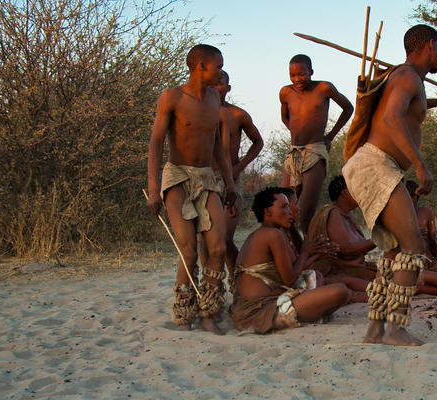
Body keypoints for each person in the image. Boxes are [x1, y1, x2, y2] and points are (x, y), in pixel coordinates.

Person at [342, 24, 437, 346]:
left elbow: (409, 112)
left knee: (395, 251)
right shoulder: (408, 76)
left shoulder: (409, 79)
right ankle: (395, 329)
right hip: (376, 165)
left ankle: (375, 329)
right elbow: (392, 118)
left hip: (372, 166)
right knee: (413, 248)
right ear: (429, 46)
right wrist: (421, 164)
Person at [146, 44, 236, 335]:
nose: (221, 71)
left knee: (218, 247)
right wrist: (152, 187)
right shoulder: (172, 97)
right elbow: (156, 143)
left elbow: (217, 147)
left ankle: (210, 310)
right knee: (188, 248)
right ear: (200, 66)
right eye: (218, 66)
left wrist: (230, 182)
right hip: (177, 177)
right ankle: (184, 311)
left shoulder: (214, 99)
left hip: (207, 178)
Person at [230, 188, 351, 334]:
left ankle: (311, 311)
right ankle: (310, 313)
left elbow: (296, 269)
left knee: (316, 276)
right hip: (257, 311)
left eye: (288, 206)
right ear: (267, 212)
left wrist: (316, 254)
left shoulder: (273, 232)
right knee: (341, 291)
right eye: (283, 207)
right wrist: (305, 253)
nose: (289, 211)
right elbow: (289, 280)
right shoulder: (272, 235)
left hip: (256, 306)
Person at [198, 70, 264, 293]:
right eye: (212, 84)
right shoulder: (199, 113)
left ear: (228, 88)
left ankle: (239, 283)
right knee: (203, 238)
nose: (215, 88)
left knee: (223, 237)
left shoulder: (237, 115)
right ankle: (210, 288)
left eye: (220, 84)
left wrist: (238, 167)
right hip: (204, 178)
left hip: (230, 180)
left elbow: (258, 143)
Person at [279, 54, 354, 235]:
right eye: (293, 75)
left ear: (311, 72)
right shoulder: (286, 93)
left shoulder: (324, 88)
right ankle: (295, 254)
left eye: (301, 74)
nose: (297, 79)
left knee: (306, 212)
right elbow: (284, 116)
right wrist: (296, 134)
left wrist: (330, 137)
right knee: (283, 207)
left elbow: (348, 108)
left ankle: (312, 254)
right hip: (294, 153)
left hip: (315, 151)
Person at [306, 175, 377, 302]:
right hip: (344, 271)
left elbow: (358, 247)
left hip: (358, 269)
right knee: (401, 284)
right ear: (344, 192)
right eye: (356, 189)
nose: (361, 192)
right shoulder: (333, 213)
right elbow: (346, 250)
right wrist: (380, 239)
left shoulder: (348, 214)